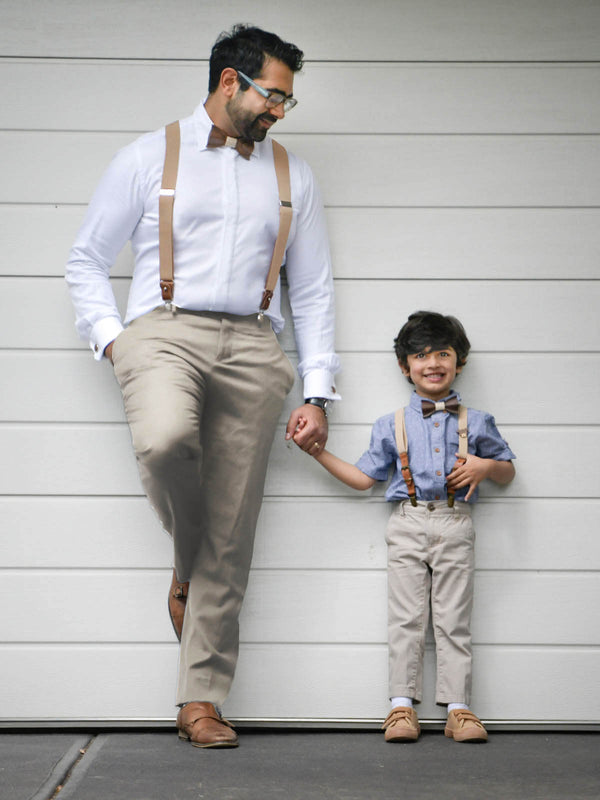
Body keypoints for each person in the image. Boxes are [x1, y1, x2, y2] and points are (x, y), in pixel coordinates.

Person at [66, 24, 340, 749]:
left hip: (255, 342)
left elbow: (310, 289)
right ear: (230, 83)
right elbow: (86, 259)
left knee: (235, 529)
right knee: (164, 442)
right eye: (273, 93)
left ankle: (201, 702)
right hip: (163, 328)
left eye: (287, 98)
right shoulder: (147, 155)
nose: (280, 109)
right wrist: (113, 338)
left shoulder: (292, 175)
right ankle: (189, 565)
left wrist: (317, 390)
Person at [295, 311, 515, 743]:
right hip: (408, 522)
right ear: (404, 366)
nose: (432, 363)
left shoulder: (480, 420)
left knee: (453, 618)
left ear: (459, 361)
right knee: (406, 619)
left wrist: (486, 466)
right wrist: (318, 453)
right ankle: (400, 707)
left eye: (443, 353)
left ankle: (459, 709)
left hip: (456, 522)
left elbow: (507, 472)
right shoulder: (389, 424)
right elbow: (363, 480)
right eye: (421, 355)